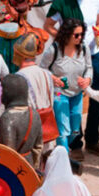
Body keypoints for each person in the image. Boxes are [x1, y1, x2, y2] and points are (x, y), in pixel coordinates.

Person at [44, 0, 99, 158]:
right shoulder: (63, 2)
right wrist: (65, 39)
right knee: (71, 96)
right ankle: (75, 144)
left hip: (92, 54)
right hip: (71, 56)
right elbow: (48, 25)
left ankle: (93, 139)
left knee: (97, 94)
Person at [40, 18, 92, 158]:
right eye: (76, 35)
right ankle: (64, 159)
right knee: (63, 128)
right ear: (67, 34)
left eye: (82, 34)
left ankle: (62, 150)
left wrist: (87, 79)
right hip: (59, 94)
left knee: (75, 129)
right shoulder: (54, 49)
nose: (80, 38)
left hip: (77, 93)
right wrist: (54, 79)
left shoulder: (84, 48)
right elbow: (43, 68)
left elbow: (89, 67)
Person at [0, 74, 43, 168]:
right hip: (29, 165)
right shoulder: (35, 114)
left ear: (8, 94)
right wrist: (34, 168)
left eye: (2, 91)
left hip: (15, 170)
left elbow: (9, 154)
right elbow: (38, 147)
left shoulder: (7, 119)